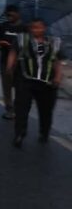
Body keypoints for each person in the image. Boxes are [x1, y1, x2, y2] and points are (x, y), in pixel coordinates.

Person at [8, 18, 66, 148]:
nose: (36, 30)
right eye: (33, 27)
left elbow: (57, 62)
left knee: (46, 111)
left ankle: (44, 133)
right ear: (30, 28)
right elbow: (13, 54)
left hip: (47, 84)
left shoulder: (54, 42)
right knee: (21, 109)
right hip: (25, 81)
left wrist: (57, 78)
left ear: (44, 28)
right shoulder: (22, 40)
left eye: (39, 27)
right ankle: (19, 134)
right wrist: (9, 68)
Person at [0, 5, 26, 120]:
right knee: (7, 88)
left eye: (11, 14)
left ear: (18, 14)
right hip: (5, 62)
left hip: (21, 64)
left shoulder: (24, 28)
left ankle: (18, 108)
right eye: (7, 14)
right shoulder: (3, 26)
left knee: (20, 88)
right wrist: (1, 43)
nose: (9, 16)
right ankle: (9, 110)